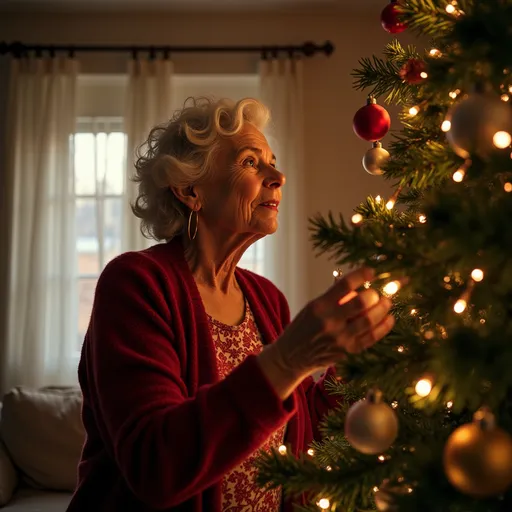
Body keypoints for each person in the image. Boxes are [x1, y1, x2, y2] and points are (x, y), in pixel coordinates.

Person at [67, 97, 394, 512]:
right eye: (250, 163)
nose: (278, 176)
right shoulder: (135, 283)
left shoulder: (266, 299)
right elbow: (156, 465)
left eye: (271, 162)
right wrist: (288, 359)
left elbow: (298, 439)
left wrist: (348, 364)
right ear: (190, 190)